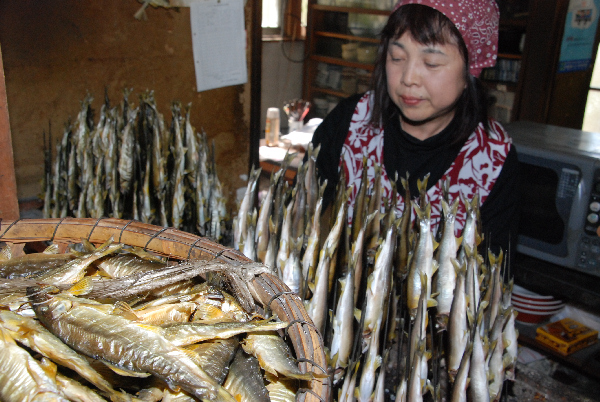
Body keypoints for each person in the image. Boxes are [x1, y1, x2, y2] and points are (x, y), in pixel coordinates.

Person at [309, 0, 519, 256]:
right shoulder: (350, 121)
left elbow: (490, 274)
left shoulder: (493, 159)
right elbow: (305, 213)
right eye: (397, 57)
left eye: (431, 63)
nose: (408, 78)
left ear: (470, 71)